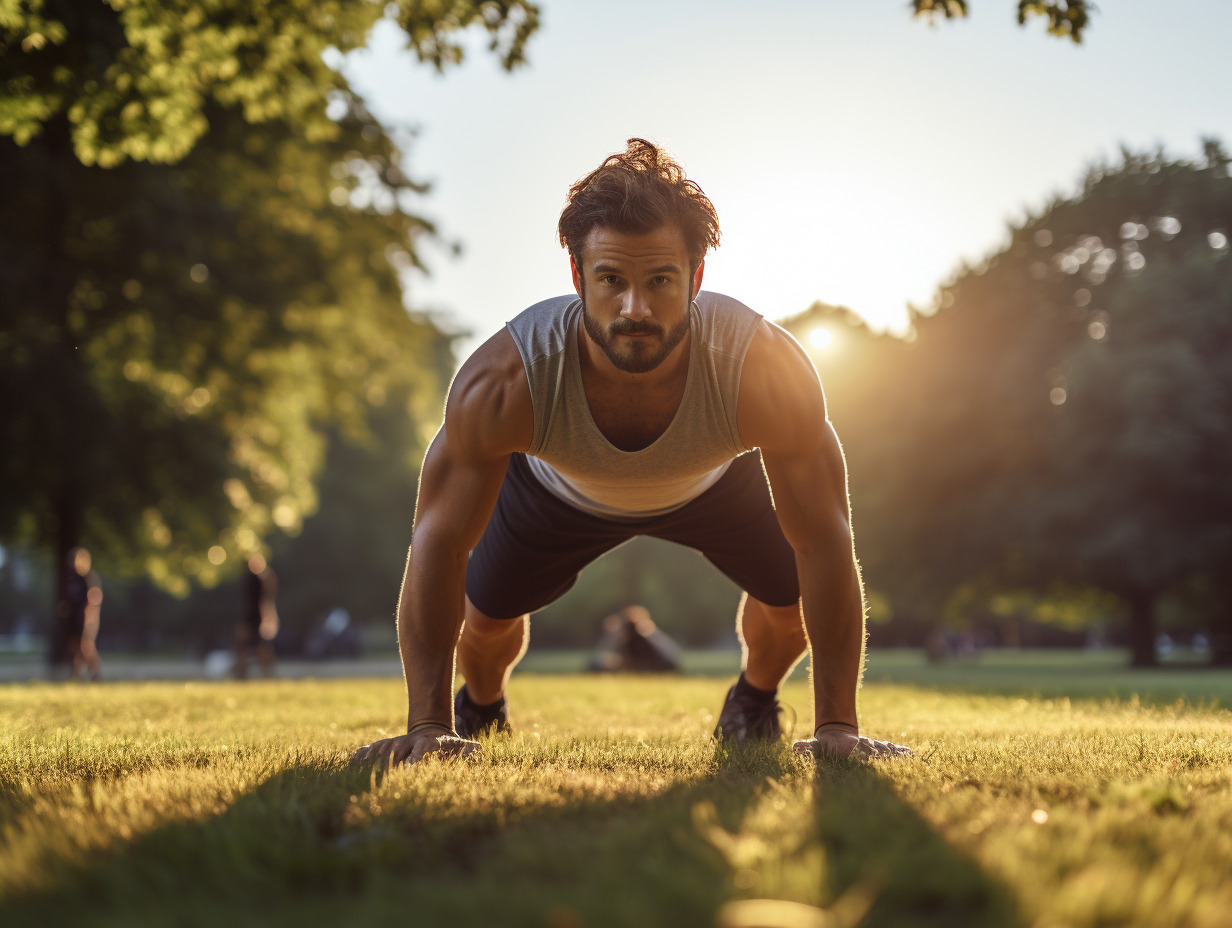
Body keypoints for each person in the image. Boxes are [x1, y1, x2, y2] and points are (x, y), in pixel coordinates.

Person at [352, 139, 909, 766]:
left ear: (696, 278)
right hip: (555, 489)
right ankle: (478, 706)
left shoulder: (763, 371)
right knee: (484, 629)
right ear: (576, 277)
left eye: (661, 281)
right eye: (611, 281)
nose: (635, 309)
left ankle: (753, 699)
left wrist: (837, 726)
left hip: (714, 481)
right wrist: (423, 725)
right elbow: (438, 542)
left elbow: (825, 541)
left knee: (789, 612)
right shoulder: (507, 380)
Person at [57, 546, 103, 681]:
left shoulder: (87, 578)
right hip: (72, 619)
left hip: (85, 619)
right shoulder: (70, 579)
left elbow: (94, 598)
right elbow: (66, 601)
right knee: (73, 646)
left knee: (85, 646)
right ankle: (76, 673)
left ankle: (95, 672)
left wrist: (88, 616)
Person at [235, 554, 278, 678]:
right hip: (250, 616)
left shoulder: (261, 580)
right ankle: (242, 672)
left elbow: (266, 599)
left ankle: (265, 672)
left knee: (261, 646)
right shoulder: (251, 579)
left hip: (257, 617)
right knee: (246, 646)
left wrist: (268, 617)